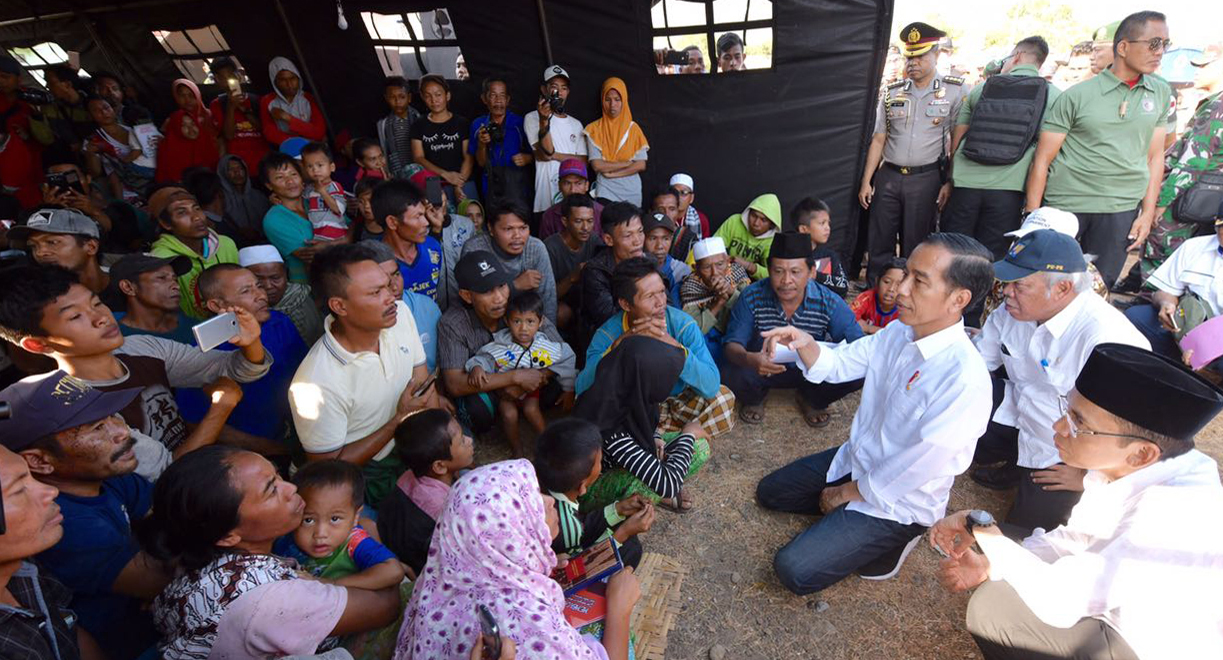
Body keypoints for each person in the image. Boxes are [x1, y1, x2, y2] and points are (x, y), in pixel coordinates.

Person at [932, 343, 1223, 660]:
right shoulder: (1137, 465)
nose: (1058, 427)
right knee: (1012, 560)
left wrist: (984, 530)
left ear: (1142, 453)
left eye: (1079, 424)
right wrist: (992, 560)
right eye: (1066, 411)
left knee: (996, 611)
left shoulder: (1174, 514)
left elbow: (1060, 600)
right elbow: (1077, 538)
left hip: (1146, 644)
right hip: (1109, 599)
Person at [755, 232, 995, 595]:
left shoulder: (965, 380)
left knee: (794, 571)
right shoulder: (900, 331)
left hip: (899, 501)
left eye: (919, 281)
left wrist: (845, 493)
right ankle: (845, 526)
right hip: (859, 458)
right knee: (771, 493)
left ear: (958, 299)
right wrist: (804, 343)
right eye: (905, 275)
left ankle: (896, 542)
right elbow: (840, 362)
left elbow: (913, 468)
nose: (900, 290)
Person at [141, 446, 401, 659]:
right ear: (228, 536)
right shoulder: (271, 598)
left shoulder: (193, 549)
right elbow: (388, 606)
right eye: (272, 490)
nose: (292, 488)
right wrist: (367, 538)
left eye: (277, 476)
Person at [974, 229, 1150, 535]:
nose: (1006, 292)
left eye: (1020, 285)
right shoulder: (1010, 311)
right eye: (1008, 282)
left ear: (1062, 288)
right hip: (1019, 414)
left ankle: (1030, 471)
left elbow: (1133, 428)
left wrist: (1086, 473)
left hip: (1065, 449)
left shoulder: (1107, 339)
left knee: (1029, 533)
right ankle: (1014, 461)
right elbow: (976, 366)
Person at [0, 263, 268, 456]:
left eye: (95, 304)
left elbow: (233, 369)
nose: (101, 317)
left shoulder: (141, 347)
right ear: (37, 344)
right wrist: (221, 407)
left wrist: (250, 342)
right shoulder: (76, 409)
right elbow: (167, 474)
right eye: (74, 317)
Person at [392, 460, 640, 660]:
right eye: (529, 504)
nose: (550, 500)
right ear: (506, 536)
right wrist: (620, 609)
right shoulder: (528, 625)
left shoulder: (444, 570)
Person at [0, 372, 166, 660]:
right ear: (39, 461)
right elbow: (166, 576)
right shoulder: (59, 524)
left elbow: (174, 515)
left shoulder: (104, 475)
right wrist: (172, 578)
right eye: (97, 427)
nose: (122, 431)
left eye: (112, 416)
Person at [1024, 11, 1173, 288]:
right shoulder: (1077, 96)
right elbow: (1042, 159)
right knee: (1045, 287)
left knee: (1097, 289)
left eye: (1165, 44)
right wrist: (1032, 217)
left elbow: (1154, 157)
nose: (1160, 52)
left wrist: (1147, 212)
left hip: (1120, 209)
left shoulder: (1161, 93)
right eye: (1153, 43)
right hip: (1066, 207)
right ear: (1123, 47)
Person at [290, 243, 438, 507]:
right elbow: (328, 467)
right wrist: (398, 419)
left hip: (409, 443)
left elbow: (422, 382)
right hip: (362, 474)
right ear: (339, 306)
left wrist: (438, 442)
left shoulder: (401, 315)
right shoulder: (315, 381)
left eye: (389, 283)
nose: (391, 295)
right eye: (375, 292)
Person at [577, 257, 735, 496]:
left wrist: (676, 350)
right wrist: (619, 347)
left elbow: (711, 385)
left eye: (661, 292)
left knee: (723, 399)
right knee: (681, 449)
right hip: (630, 408)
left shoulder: (681, 324)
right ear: (625, 304)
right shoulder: (608, 334)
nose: (661, 302)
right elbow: (582, 389)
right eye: (650, 297)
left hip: (670, 406)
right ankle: (657, 461)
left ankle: (657, 448)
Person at [860, 22, 968, 283]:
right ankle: (875, 292)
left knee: (917, 240)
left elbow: (957, 142)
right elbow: (878, 139)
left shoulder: (955, 91)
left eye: (920, 56)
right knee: (880, 239)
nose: (913, 62)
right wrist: (867, 181)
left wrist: (949, 182)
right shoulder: (892, 92)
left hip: (926, 178)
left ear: (937, 55)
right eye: (910, 56)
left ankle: (911, 291)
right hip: (889, 176)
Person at [720, 233, 864, 427]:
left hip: (811, 372)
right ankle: (755, 397)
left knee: (857, 371)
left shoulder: (828, 301)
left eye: (796, 271)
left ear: (812, 271)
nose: (786, 280)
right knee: (727, 367)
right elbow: (733, 344)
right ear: (769, 270)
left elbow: (857, 344)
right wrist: (750, 360)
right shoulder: (751, 296)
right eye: (778, 271)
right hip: (762, 368)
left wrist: (822, 357)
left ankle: (813, 399)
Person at [945, 36, 1059, 261]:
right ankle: (982, 296)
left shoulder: (982, 88)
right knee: (990, 257)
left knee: (953, 251)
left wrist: (950, 178)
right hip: (1009, 191)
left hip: (965, 186)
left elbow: (958, 136)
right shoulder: (1052, 95)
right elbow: (1046, 152)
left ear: (1016, 57)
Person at [178, 263, 309, 457]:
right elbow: (196, 421)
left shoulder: (280, 322)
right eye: (246, 291)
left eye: (258, 286)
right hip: (249, 455)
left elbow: (305, 373)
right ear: (216, 305)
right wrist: (274, 450)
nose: (261, 295)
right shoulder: (201, 354)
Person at [437, 252, 565, 434]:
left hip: (531, 380)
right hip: (490, 388)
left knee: (557, 385)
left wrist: (535, 378)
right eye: (487, 291)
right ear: (466, 295)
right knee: (476, 410)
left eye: (502, 286)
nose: (499, 298)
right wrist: (513, 378)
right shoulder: (453, 323)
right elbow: (455, 383)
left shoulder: (522, 304)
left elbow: (561, 350)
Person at [1137, 48, 1223, 281]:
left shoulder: (1217, 107)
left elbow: (1192, 161)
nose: (1196, 72)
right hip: (1206, 194)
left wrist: (1162, 201)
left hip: (1190, 193)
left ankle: (1152, 303)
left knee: (1161, 245)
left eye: (1205, 66)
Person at [467, 292, 576, 457]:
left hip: (531, 390)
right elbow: (483, 358)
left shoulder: (544, 346)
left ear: (540, 323)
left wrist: (568, 389)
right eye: (517, 321)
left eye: (530, 322)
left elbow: (566, 356)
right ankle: (517, 448)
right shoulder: (502, 345)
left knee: (531, 409)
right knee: (509, 414)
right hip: (506, 393)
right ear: (507, 322)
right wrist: (476, 367)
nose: (523, 328)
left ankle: (547, 440)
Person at [0, 442, 83, 660]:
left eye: (29, 476)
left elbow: (67, 628)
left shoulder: (22, 566)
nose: (51, 491)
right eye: (19, 490)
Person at [535, 418, 652, 568]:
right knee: (632, 549)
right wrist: (623, 533)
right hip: (569, 562)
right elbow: (581, 565)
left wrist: (617, 509)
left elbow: (582, 524)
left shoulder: (537, 480)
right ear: (582, 486)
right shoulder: (565, 527)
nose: (601, 467)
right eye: (600, 462)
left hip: (566, 539)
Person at [274, 460, 404, 587]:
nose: (320, 534)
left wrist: (330, 583)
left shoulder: (353, 542)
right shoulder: (286, 535)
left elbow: (393, 571)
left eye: (334, 519)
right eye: (308, 520)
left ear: (355, 517)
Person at [377, 408, 473, 575]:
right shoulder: (447, 507)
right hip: (423, 567)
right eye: (462, 441)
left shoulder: (407, 476)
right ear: (439, 466)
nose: (470, 440)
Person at [1126, 212, 1223, 363]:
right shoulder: (1195, 246)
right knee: (1137, 317)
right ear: (1216, 226)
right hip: (1189, 323)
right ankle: (1166, 367)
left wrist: (1209, 347)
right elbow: (1164, 291)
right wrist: (1166, 304)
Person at [148, 185, 241, 318]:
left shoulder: (226, 244)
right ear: (165, 223)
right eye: (182, 212)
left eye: (197, 208)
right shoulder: (162, 259)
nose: (197, 217)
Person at [461, 201, 558, 322]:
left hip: (525, 323)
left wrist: (546, 338)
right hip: (486, 322)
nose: (517, 236)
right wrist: (515, 286)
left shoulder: (536, 248)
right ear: (491, 229)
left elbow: (548, 300)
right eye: (508, 229)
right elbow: (473, 301)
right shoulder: (475, 249)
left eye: (523, 228)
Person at [10, 207, 118, 308]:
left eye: (52, 242)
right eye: (33, 246)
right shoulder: (36, 300)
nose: (40, 252)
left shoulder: (128, 284)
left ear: (91, 247)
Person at [362, 239, 442, 375]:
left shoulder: (427, 307)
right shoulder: (358, 326)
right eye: (383, 281)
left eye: (397, 274)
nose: (394, 286)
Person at [579, 201, 647, 343]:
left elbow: (666, 305)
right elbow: (611, 321)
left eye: (640, 232)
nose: (638, 241)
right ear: (609, 240)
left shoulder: (647, 261)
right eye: (628, 236)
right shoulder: (595, 272)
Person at [526, 65, 587, 217]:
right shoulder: (532, 117)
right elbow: (545, 154)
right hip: (545, 195)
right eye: (554, 87)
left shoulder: (576, 124)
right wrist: (543, 121)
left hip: (572, 195)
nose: (559, 92)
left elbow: (584, 161)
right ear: (544, 89)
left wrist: (553, 155)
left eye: (564, 88)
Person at [680, 236, 751, 360]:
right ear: (696, 269)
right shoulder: (690, 287)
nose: (714, 273)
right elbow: (695, 331)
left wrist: (730, 291)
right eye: (707, 267)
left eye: (720, 264)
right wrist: (720, 301)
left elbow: (751, 312)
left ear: (728, 261)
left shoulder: (737, 273)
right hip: (710, 342)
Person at [240, 244, 324, 346]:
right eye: (258, 280)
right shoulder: (240, 311)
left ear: (286, 275)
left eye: (275, 278)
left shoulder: (300, 298)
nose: (268, 286)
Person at [375, 178, 445, 301]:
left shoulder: (433, 247)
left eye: (423, 215)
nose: (426, 222)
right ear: (392, 222)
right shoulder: (374, 265)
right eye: (417, 217)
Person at [411, 75, 476, 201]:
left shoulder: (462, 123)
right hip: (433, 184)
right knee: (439, 218)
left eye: (438, 94)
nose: (434, 100)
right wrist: (445, 175)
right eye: (428, 95)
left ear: (447, 96)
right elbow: (418, 158)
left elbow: (469, 156)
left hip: (464, 180)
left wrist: (458, 184)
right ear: (423, 98)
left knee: (472, 218)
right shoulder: (418, 125)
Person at [585, 78, 649, 205]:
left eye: (617, 99)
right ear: (602, 101)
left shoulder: (633, 129)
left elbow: (641, 165)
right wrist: (626, 163)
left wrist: (611, 175)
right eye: (607, 100)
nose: (612, 105)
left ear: (624, 100)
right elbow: (597, 166)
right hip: (605, 191)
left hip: (632, 193)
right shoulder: (593, 129)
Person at [544, 193, 603, 330]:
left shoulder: (593, 240)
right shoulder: (550, 248)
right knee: (561, 314)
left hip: (585, 299)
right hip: (561, 303)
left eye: (590, 221)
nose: (585, 228)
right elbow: (547, 296)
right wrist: (572, 277)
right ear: (565, 221)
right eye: (578, 221)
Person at [470, 77, 532, 206]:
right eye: (493, 95)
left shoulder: (519, 123)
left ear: (508, 100)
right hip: (491, 182)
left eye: (502, 95)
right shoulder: (478, 125)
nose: (498, 100)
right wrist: (482, 145)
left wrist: (527, 158)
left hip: (517, 182)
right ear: (484, 99)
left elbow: (538, 155)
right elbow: (481, 163)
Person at [261, 151, 321, 283]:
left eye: (293, 174)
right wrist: (344, 239)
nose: (290, 181)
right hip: (309, 289)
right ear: (269, 185)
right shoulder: (274, 219)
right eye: (280, 178)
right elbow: (311, 256)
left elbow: (352, 227)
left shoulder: (315, 201)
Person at [110, 253, 196, 345]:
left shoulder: (195, 329)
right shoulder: (111, 337)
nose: (176, 286)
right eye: (162, 278)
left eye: (175, 279)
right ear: (128, 287)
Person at [84, 96, 155, 202]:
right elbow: (96, 172)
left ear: (113, 109)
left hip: (153, 180)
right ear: (90, 116)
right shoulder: (94, 141)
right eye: (96, 110)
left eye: (106, 107)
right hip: (130, 192)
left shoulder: (133, 129)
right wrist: (90, 154)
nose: (104, 112)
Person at [208, 57, 268, 177]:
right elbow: (229, 136)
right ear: (217, 80)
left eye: (230, 76)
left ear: (237, 76)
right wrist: (231, 107)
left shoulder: (255, 100)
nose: (227, 81)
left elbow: (264, 130)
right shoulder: (217, 104)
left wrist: (243, 109)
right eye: (222, 78)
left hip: (264, 163)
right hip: (238, 168)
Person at [155, 79, 221, 184]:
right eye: (182, 96)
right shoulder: (173, 121)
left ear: (198, 95)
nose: (187, 100)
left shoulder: (210, 116)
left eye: (191, 95)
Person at [713, 193, 783, 280]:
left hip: (752, 284)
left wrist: (749, 266)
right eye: (754, 216)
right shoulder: (734, 222)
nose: (756, 223)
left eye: (763, 220)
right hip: (721, 272)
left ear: (771, 225)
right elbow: (713, 248)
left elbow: (774, 274)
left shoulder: (772, 240)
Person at [261, 57, 326, 147]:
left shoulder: (308, 98)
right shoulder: (268, 101)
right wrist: (302, 143)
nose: (289, 84)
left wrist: (287, 118)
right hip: (288, 149)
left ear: (298, 78)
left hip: (313, 149)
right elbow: (270, 133)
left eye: (293, 78)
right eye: (283, 80)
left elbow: (319, 132)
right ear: (275, 82)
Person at [792, 197, 849, 297]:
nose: (828, 228)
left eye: (828, 223)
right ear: (803, 229)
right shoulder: (790, 256)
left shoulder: (829, 256)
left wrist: (817, 276)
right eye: (822, 223)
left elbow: (844, 285)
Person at [28, 65, 91, 151]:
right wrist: (37, 117)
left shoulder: (92, 105)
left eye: (51, 83)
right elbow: (47, 139)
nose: (47, 86)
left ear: (68, 85)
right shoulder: (50, 110)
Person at [538, 158, 604, 238]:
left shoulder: (600, 212)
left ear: (586, 186)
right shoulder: (549, 216)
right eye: (567, 183)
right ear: (559, 185)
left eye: (578, 183)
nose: (573, 190)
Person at [301, 141, 349, 242]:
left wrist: (323, 192)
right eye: (310, 166)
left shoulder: (334, 186)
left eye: (320, 165)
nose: (315, 170)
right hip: (319, 233)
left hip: (336, 232)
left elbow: (338, 209)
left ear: (332, 167)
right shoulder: (309, 189)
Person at [218, 154, 271, 243]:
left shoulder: (258, 195)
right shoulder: (220, 198)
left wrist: (259, 233)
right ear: (223, 173)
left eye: (240, 168)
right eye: (231, 169)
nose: (237, 172)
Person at [642, 210, 690, 305]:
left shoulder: (680, 270)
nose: (659, 246)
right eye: (653, 238)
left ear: (672, 239)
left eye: (665, 239)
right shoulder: (633, 268)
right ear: (642, 238)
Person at [377, 76, 421, 178]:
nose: (397, 101)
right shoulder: (383, 124)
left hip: (420, 171)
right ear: (386, 98)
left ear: (409, 98)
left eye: (402, 97)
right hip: (399, 173)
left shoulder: (419, 119)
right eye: (392, 97)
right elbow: (385, 150)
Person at [851, 256, 905, 334]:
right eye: (886, 282)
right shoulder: (866, 298)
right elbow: (848, 318)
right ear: (877, 281)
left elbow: (904, 334)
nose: (891, 289)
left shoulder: (907, 308)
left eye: (899, 285)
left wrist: (869, 328)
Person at [668, 173, 709, 260]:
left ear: (691, 198)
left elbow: (704, 252)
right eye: (674, 192)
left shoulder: (701, 220)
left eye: (684, 193)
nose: (678, 197)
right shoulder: (662, 216)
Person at [351, 177, 386, 243]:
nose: (366, 206)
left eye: (371, 201)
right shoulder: (356, 226)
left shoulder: (391, 228)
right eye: (361, 202)